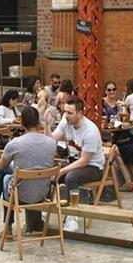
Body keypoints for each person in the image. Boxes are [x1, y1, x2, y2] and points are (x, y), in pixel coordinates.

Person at [0, 106, 56, 238]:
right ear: (38, 123)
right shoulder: (51, 143)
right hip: (43, 192)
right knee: (13, 172)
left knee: (6, 177)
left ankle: (7, 227)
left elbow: (2, 165)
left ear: (22, 124)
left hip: (21, 194)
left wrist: (5, 157)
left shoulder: (15, 144)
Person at [52, 98, 105, 232]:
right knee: (47, 169)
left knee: (71, 177)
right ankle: (41, 211)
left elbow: (84, 161)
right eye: (65, 112)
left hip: (93, 167)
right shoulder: (66, 122)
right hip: (73, 162)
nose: (66, 116)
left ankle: (72, 217)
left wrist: (62, 171)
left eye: (70, 113)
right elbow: (51, 140)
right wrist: (47, 125)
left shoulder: (90, 131)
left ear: (80, 113)